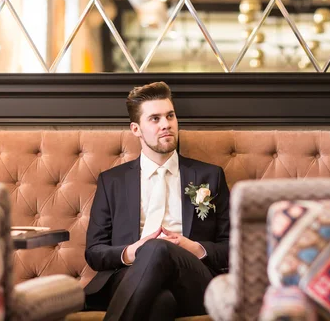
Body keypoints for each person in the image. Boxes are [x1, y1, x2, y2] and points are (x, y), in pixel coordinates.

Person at [84, 81, 230, 321]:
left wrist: (195, 248)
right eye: (155, 119)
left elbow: (233, 247)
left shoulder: (209, 176)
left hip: (194, 277)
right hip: (130, 276)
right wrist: (132, 251)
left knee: (158, 247)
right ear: (136, 129)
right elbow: (94, 252)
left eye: (170, 116)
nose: (166, 125)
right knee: (161, 303)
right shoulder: (112, 181)